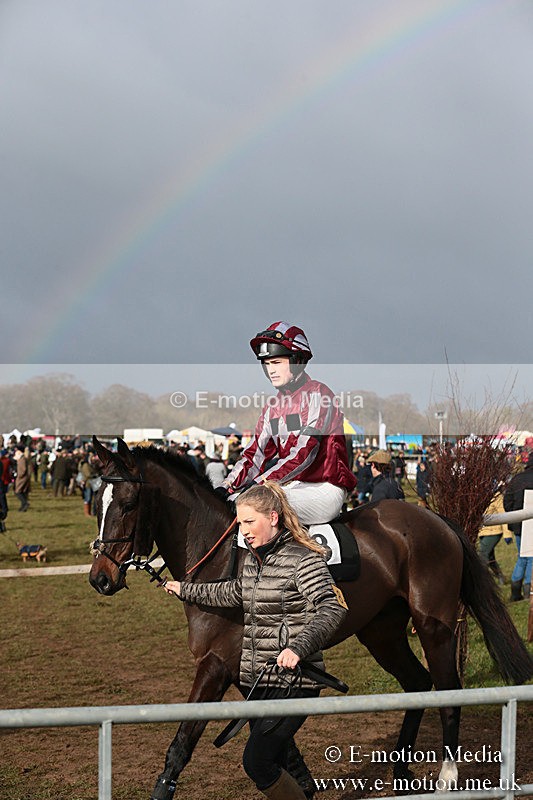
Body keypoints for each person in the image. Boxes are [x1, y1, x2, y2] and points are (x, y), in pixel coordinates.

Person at [163, 482, 348, 800]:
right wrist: (185, 589)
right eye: (240, 524)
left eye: (249, 522)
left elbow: (332, 607)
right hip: (261, 683)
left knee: (256, 761)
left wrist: (298, 647)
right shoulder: (254, 562)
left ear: (273, 518)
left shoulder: (304, 561)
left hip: (294, 683)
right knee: (273, 762)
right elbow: (232, 592)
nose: (243, 531)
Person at [220, 322, 356, 525]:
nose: (270, 370)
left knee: (254, 506)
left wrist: (259, 485)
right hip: (292, 486)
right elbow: (254, 455)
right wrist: (226, 486)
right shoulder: (272, 407)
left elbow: (305, 454)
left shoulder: (319, 394)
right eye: (266, 364)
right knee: (228, 503)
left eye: (276, 363)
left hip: (325, 489)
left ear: (297, 361)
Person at [503, 452, 533, 601]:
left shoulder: (517, 479)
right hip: (530, 524)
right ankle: (528, 591)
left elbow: (507, 502)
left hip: (518, 525)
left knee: (523, 557)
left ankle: (515, 592)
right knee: (531, 558)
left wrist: (514, 516)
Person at [13, 444, 31, 512]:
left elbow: (23, 469)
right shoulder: (21, 458)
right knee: (22, 492)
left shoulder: (22, 459)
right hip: (22, 477)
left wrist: (19, 475)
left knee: (18, 492)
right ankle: (23, 506)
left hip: (21, 478)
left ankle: (25, 503)